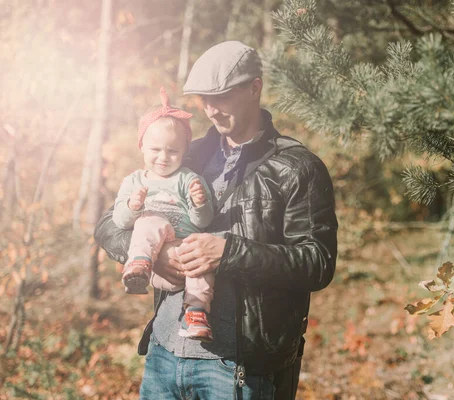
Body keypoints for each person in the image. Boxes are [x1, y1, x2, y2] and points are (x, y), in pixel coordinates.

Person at [94, 40, 338, 399]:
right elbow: (108, 223)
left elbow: (317, 263)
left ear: (254, 88)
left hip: (238, 368)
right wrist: (156, 255)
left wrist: (229, 253)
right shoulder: (185, 153)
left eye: (221, 97)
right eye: (203, 99)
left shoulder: (297, 168)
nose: (210, 109)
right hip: (164, 353)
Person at [112, 87, 216, 341]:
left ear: (184, 152)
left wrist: (199, 203)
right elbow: (119, 221)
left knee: (202, 260)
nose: (163, 157)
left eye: (172, 151)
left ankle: (197, 314)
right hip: (155, 265)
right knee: (150, 221)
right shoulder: (134, 181)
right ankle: (137, 266)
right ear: (142, 147)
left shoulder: (189, 179)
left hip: (184, 253)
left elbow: (203, 222)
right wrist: (133, 206)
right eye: (155, 150)